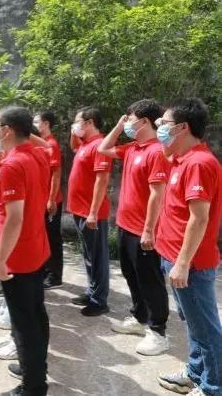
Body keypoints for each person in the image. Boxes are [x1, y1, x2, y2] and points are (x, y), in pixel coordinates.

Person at [153, 99, 222, 396]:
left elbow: (199, 218)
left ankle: (214, 386)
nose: (159, 127)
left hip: (191, 264)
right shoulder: (181, 159)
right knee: (193, 323)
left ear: (182, 127)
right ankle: (196, 372)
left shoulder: (199, 163)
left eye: (164, 123)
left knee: (206, 328)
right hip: (174, 257)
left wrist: (182, 263)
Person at [98, 99, 171, 356]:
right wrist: (119, 126)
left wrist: (149, 229)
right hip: (125, 225)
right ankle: (140, 318)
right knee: (131, 275)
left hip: (143, 229)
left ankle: (158, 331)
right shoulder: (133, 148)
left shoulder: (157, 151)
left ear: (144, 122)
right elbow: (103, 148)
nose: (127, 123)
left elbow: (157, 194)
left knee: (150, 280)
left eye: (129, 119)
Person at [0, 106, 51, 396]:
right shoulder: (38, 155)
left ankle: (33, 387)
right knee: (36, 315)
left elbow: (14, 219)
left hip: (19, 257)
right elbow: (36, 141)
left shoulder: (12, 166)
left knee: (23, 324)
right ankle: (36, 368)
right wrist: (24, 131)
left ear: (6, 130)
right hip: (36, 248)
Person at [67, 106, 113, 316]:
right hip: (80, 210)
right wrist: (74, 131)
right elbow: (73, 145)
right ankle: (91, 290)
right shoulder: (85, 144)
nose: (74, 125)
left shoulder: (100, 146)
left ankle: (99, 300)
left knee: (98, 257)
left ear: (89, 122)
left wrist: (93, 212)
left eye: (77, 121)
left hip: (91, 213)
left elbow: (102, 180)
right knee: (88, 254)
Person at [33, 111, 64, 290]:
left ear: (45, 124)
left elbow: (56, 174)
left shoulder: (51, 144)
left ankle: (55, 276)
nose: (34, 124)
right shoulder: (38, 144)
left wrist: (51, 199)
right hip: (39, 200)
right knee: (42, 237)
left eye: (36, 121)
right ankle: (45, 270)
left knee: (53, 238)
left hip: (50, 201)